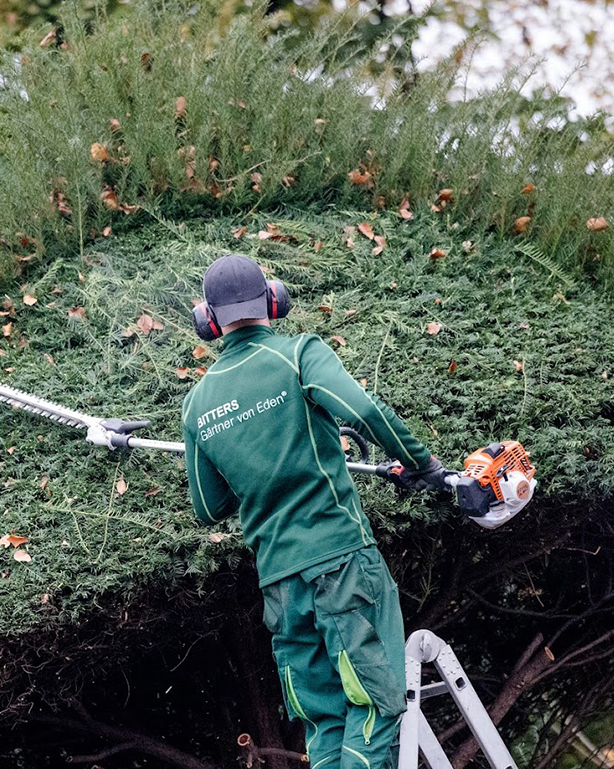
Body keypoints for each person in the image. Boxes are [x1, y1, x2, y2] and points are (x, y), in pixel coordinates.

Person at [181, 254, 444, 769]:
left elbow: (209, 507)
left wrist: (248, 453)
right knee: (376, 706)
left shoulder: (197, 404)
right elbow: (364, 411)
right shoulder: (298, 355)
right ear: (273, 300)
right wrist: (422, 464)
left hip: (282, 588)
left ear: (208, 321)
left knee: (324, 720)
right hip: (341, 563)